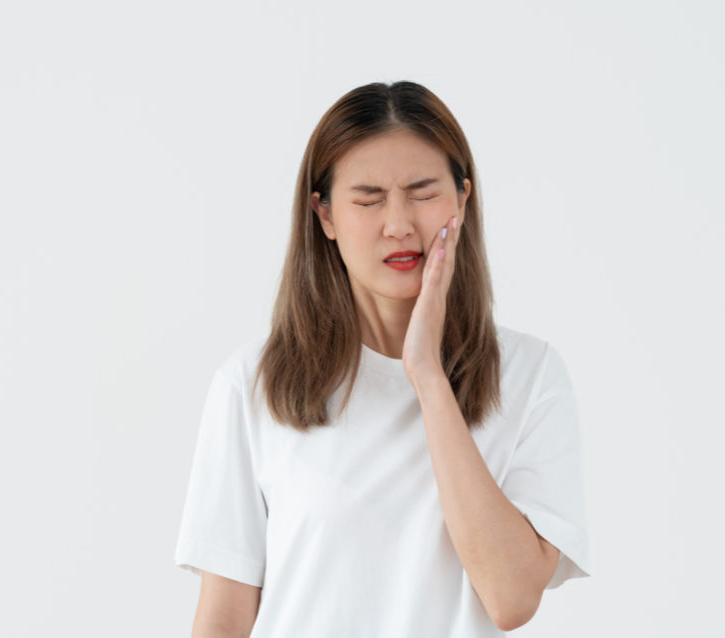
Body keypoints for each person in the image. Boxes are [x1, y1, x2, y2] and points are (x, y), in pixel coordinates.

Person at [173, 80, 592, 637]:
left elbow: (511, 597)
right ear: (323, 216)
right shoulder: (253, 384)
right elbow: (223, 619)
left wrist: (426, 373)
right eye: (367, 199)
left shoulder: (532, 374)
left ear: (463, 199)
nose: (399, 224)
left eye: (423, 193)